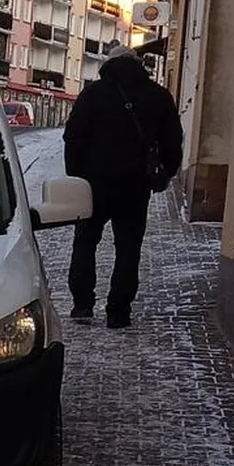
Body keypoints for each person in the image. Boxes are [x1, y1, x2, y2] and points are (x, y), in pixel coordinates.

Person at [62, 47, 183, 329]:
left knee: (85, 241)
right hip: (136, 186)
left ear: (108, 64)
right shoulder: (158, 96)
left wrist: (77, 174)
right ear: (138, 65)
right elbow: (173, 140)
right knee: (128, 249)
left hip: (94, 184)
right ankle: (119, 312)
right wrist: (165, 172)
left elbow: (74, 136)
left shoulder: (92, 95)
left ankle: (82, 304)